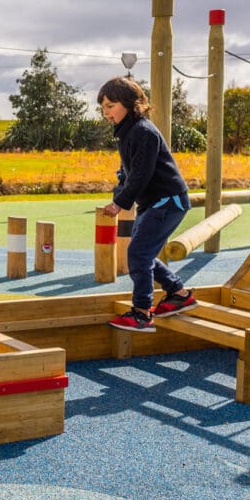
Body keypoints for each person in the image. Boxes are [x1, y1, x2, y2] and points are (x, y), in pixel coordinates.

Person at [98, 76, 196, 331]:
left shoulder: (143, 131)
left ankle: (142, 312)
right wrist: (118, 195)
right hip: (155, 203)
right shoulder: (127, 132)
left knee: (139, 254)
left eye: (110, 105)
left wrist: (120, 203)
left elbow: (142, 173)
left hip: (168, 201)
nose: (105, 112)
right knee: (144, 254)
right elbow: (126, 172)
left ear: (130, 103)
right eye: (103, 107)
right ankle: (179, 293)